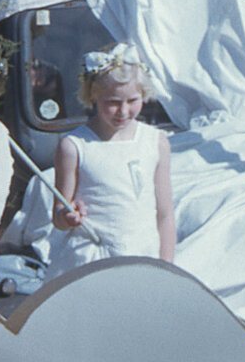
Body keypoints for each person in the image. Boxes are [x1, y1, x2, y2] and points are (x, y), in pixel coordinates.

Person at [46, 44, 175, 279]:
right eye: (112, 102)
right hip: (90, 266)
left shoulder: (156, 142)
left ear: (144, 95)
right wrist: (67, 217)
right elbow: (57, 217)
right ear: (93, 96)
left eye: (133, 100)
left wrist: (167, 268)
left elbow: (165, 214)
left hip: (142, 261)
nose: (123, 111)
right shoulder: (74, 146)